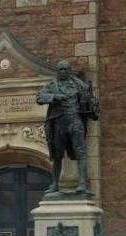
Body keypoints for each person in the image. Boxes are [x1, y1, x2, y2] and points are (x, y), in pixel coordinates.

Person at [36, 60, 99, 194]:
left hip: (75, 120)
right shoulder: (52, 85)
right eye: (60, 69)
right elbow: (39, 98)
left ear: (69, 71)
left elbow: (89, 96)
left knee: (80, 151)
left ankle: (82, 183)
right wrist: (55, 97)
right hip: (59, 122)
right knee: (57, 155)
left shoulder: (78, 85)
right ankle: (55, 184)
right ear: (57, 72)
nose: (63, 72)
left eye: (65, 69)